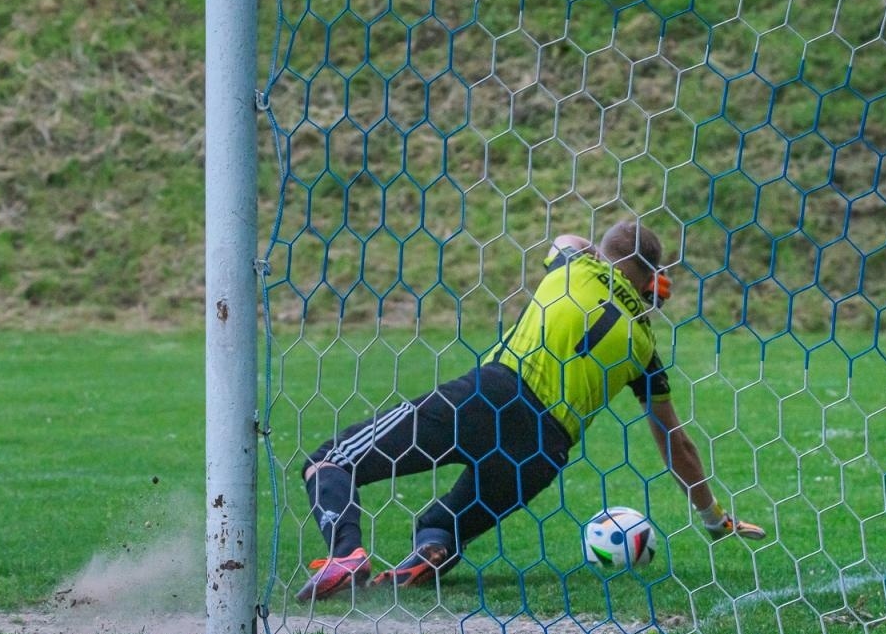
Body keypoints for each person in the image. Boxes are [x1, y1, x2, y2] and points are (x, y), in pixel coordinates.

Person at [296, 221, 765, 602]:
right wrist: (714, 518)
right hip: (543, 452)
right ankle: (430, 552)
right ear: (652, 280)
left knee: (331, 461)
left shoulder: (576, 266)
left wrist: (604, 260)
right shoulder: (645, 347)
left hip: (492, 397)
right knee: (444, 524)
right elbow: (674, 441)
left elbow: (567, 237)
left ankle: (344, 552)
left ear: (604, 255)